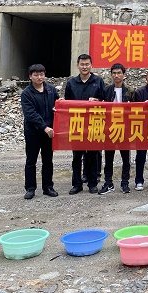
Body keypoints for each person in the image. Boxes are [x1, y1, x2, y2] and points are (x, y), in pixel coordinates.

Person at [65, 54, 105, 195]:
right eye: (82, 64)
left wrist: (97, 101)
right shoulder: (71, 83)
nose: (84, 67)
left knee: (93, 155)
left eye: (87, 64)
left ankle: (92, 183)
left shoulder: (98, 81)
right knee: (77, 156)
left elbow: (104, 100)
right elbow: (67, 104)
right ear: (77, 65)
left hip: (94, 122)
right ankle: (77, 184)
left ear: (91, 65)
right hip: (77, 123)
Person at [21, 64, 59, 199]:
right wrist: (44, 127)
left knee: (48, 160)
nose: (39, 77)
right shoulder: (26, 93)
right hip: (33, 132)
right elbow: (30, 114)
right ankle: (30, 188)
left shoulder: (51, 90)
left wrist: (60, 105)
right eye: (36, 75)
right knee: (31, 161)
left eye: (41, 74)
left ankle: (48, 187)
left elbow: (58, 105)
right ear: (30, 76)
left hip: (49, 132)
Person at [99, 63, 133, 195]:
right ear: (111, 75)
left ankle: (125, 183)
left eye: (119, 73)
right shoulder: (106, 90)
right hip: (110, 128)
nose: (116, 76)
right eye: (114, 73)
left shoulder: (130, 91)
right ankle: (108, 183)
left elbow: (138, 110)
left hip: (125, 129)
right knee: (108, 157)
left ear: (124, 75)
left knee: (126, 158)